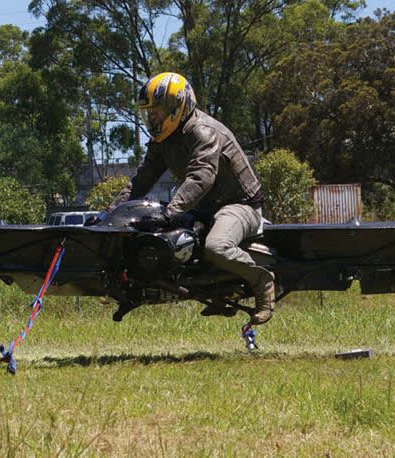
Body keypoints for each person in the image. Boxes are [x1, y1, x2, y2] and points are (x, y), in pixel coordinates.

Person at [107, 71, 275, 325]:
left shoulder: (202, 131)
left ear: (177, 107)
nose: (152, 118)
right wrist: (108, 215)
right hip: (203, 207)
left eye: (157, 111)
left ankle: (263, 281)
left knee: (216, 248)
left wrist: (170, 213)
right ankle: (217, 292)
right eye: (149, 112)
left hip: (240, 205)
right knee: (162, 242)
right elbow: (141, 181)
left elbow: (201, 176)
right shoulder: (162, 139)